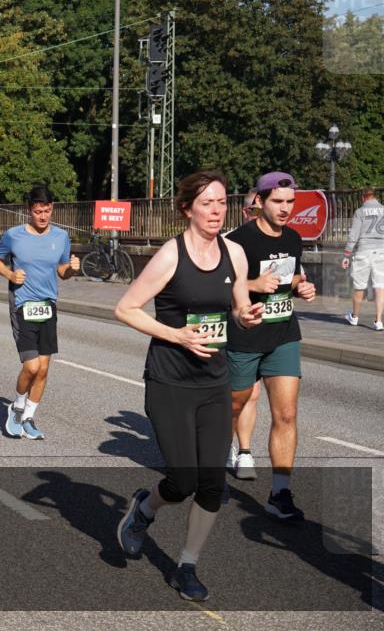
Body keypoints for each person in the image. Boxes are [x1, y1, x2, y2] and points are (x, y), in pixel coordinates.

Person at [115, 170, 261, 601]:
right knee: (181, 481)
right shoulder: (169, 255)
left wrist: (245, 316)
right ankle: (143, 510)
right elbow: (125, 309)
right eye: (207, 204)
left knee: (213, 482)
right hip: (170, 380)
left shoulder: (234, 253)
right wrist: (177, 335)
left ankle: (187, 566)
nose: (216, 211)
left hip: (214, 379)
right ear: (187, 209)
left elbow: (237, 307)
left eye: (221, 202)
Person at [226, 171, 316, 521]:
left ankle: (279, 493)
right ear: (260, 202)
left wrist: (300, 288)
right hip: (244, 337)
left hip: (283, 335)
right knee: (233, 406)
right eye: (277, 202)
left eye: (290, 202)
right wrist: (252, 283)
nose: (285, 209)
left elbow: (289, 278)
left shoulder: (294, 238)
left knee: (287, 414)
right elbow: (218, 284)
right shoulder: (237, 241)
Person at [0, 186, 79, 440]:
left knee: (43, 369)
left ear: (52, 208)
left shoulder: (61, 236)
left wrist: (72, 268)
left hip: (48, 305)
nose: (43, 216)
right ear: (29, 211)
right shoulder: (13, 235)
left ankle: (29, 417)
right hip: (22, 304)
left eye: (47, 210)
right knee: (31, 366)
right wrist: (10, 274)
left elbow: (62, 271)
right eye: (38, 211)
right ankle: (16, 407)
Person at [226, 188, 262, 479]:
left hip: (264, 327)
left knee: (252, 394)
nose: (257, 217)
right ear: (245, 211)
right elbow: (221, 283)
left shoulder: (278, 239)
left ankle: (246, 452)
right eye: (253, 210)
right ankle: (223, 445)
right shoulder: (229, 242)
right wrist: (255, 285)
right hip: (232, 324)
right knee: (235, 395)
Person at [343, 188, 384, 331]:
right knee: (380, 287)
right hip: (383, 251)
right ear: (375, 197)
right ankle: (379, 321)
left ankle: (355, 317)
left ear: (364, 198)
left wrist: (347, 254)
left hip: (363, 251)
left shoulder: (360, 212)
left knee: (359, 287)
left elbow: (354, 235)